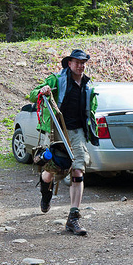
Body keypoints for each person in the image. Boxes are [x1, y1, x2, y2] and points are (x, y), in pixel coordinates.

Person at [28, 49, 99, 236]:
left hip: (76, 132)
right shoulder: (56, 80)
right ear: (69, 63)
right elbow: (32, 94)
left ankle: (73, 218)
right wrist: (42, 91)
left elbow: (90, 110)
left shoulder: (88, 85)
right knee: (52, 169)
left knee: (78, 170)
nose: (80, 65)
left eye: (83, 62)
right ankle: (45, 190)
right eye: (77, 62)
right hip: (56, 131)